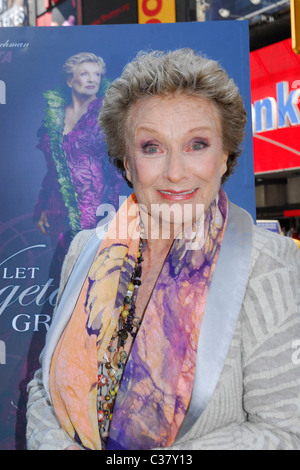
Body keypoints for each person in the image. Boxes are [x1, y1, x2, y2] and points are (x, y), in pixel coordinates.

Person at [26, 49, 300, 450]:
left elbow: (286, 431)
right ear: (125, 160)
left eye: (197, 144)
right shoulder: (86, 249)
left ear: (224, 157)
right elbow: (44, 384)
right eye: (152, 147)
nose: (175, 171)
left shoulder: (272, 268)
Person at [33, 52, 123, 268]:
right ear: (69, 80)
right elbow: (53, 168)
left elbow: (117, 168)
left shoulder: (107, 114)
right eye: (84, 73)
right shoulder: (55, 116)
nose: (92, 79)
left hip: (94, 211)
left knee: (89, 275)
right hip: (57, 212)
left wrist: (108, 211)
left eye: (97, 74)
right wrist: (43, 207)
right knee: (63, 275)